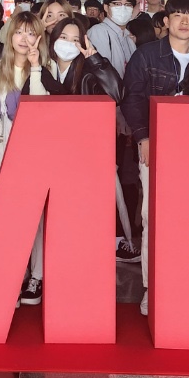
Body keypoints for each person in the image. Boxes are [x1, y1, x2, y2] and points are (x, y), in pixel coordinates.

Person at [123, 0, 189, 315]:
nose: (185, 22)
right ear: (166, 20)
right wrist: (143, 137)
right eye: (178, 15)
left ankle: (184, 283)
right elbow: (132, 98)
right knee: (152, 216)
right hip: (154, 144)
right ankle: (152, 287)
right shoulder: (146, 55)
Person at [43, 16, 139, 263]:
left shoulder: (87, 72)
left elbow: (117, 93)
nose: (68, 44)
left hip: (83, 153)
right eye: (63, 37)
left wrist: (95, 60)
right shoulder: (41, 67)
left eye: (75, 39)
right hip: (50, 150)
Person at [0, 11, 47, 303]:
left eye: (31, 33)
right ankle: (15, 273)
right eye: (19, 32)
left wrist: (36, 68)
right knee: (7, 215)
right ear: (10, 36)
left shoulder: (46, 67)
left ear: (39, 37)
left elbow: (40, 108)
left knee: (36, 215)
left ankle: (37, 276)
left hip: (36, 151)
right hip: (3, 149)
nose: (24, 38)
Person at [87, 0, 138, 78]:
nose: (123, 8)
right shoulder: (98, 32)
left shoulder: (128, 37)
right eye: (117, 4)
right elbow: (101, 72)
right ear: (106, 7)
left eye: (128, 4)